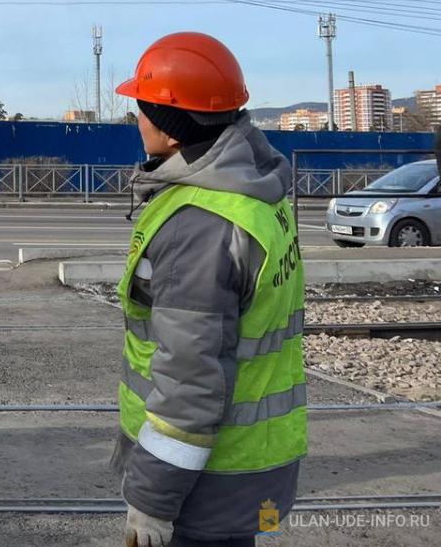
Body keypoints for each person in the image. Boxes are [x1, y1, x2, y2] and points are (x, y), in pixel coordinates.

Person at [111, 32, 307, 547]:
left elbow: (191, 382)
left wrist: (152, 500)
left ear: (172, 130)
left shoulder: (199, 225)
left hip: (204, 486)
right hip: (258, 473)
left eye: (143, 107)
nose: (138, 118)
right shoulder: (256, 192)